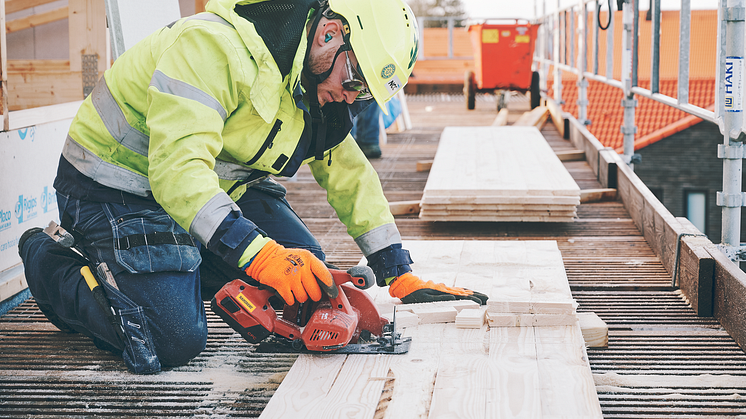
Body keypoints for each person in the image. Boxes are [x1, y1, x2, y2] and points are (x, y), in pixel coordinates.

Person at [18, 0, 488, 375]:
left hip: (208, 192)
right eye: (355, 80)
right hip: (114, 189)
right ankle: (51, 264)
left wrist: (397, 270)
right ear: (329, 32)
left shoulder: (314, 79)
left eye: (363, 92)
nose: (352, 95)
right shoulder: (210, 47)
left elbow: (349, 172)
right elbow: (177, 173)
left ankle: (176, 263)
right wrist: (260, 256)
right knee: (169, 337)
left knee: (307, 285)